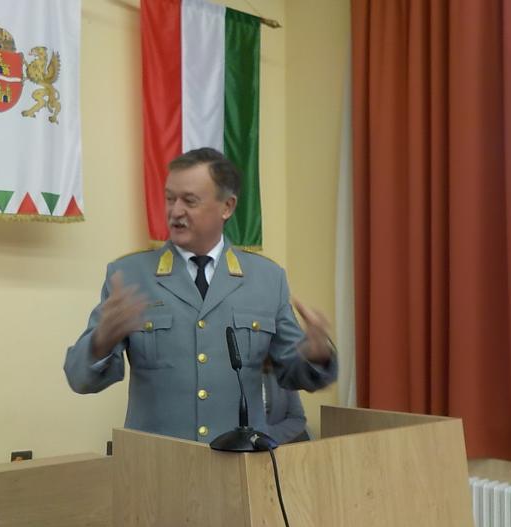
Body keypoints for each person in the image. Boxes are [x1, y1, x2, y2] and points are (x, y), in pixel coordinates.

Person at [64, 147, 337, 442]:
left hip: (240, 462)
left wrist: (316, 355)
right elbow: (79, 378)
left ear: (227, 207)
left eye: (189, 201)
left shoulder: (267, 279)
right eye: (170, 198)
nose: (175, 211)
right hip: (158, 463)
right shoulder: (130, 275)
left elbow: (293, 374)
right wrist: (100, 342)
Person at [262, 357, 310, 443]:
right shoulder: (238, 374)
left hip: (279, 445)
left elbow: (297, 419)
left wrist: (265, 436)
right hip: (241, 447)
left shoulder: (283, 373)